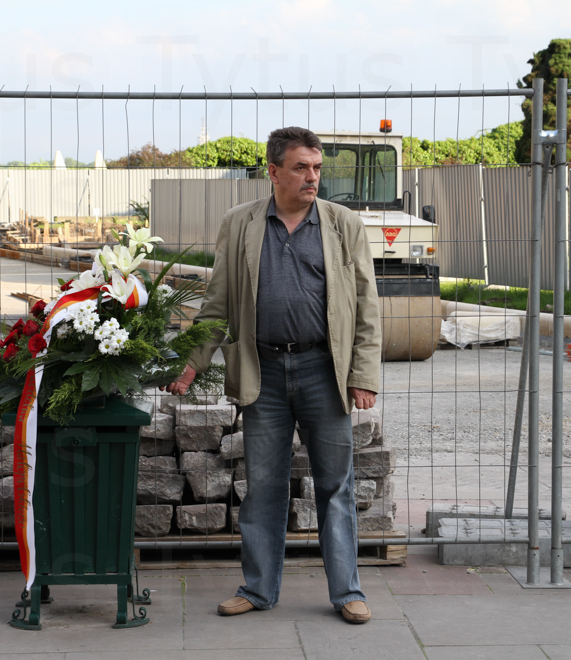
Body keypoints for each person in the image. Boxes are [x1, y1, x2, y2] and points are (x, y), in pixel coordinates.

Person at [163, 126, 381, 624]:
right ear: (274, 171)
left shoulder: (343, 224)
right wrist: (194, 362)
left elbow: (367, 304)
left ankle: (347, 592)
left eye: (318, 167)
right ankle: (258, 590)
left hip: (325, 370)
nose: (312, 176)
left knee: (335, 486)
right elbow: (217, 302)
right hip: (263, 371)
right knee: (263, 486)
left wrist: (363, 374)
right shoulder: (239, 223)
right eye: (301, 167)